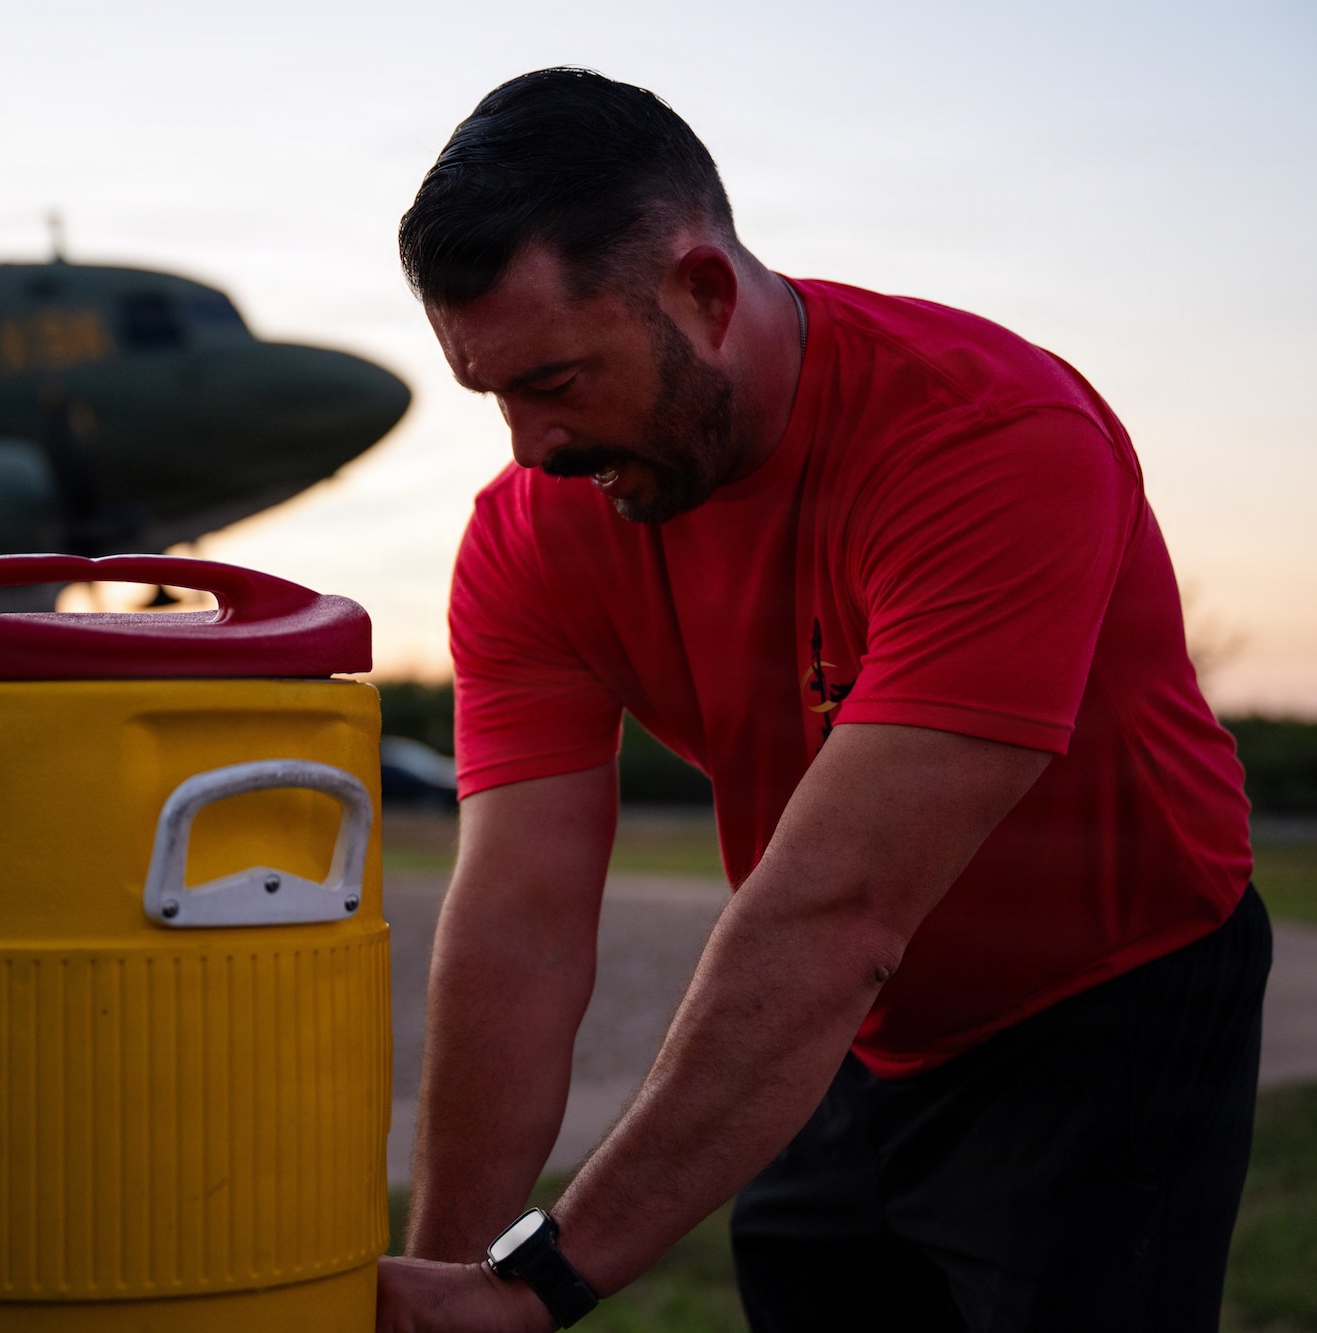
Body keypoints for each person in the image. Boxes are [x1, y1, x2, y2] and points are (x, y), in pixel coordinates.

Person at [377, 69, 1267, 1333]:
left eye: (557, 381)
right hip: (851, 1023)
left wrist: (538, 1287)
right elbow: (518, 917)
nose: (528, 447)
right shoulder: (531, 533)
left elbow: (838, 910)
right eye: (496, 393)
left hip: (1109, 998)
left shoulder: (989, 441)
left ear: (703, 291)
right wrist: (448, 1284)